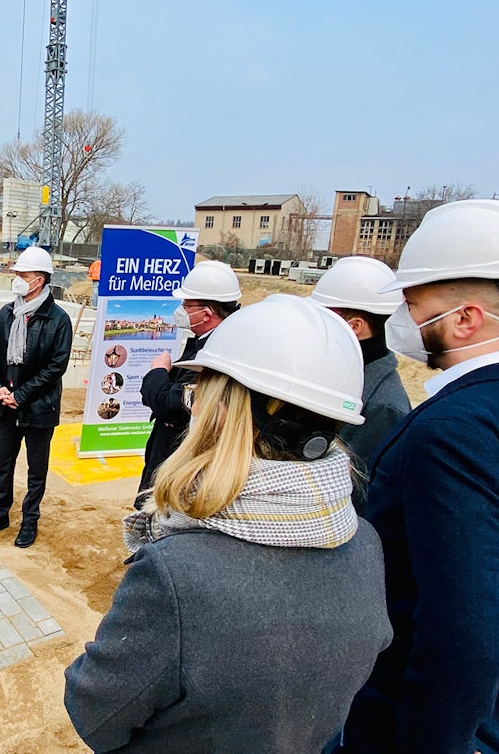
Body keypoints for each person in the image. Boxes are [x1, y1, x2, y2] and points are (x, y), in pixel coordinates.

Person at [64, 296, 392, 753]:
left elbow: (95, 713)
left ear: (221, 411)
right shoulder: (365, 543)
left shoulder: (177, 574)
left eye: (200, 391)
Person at [340, 200, 499, 754]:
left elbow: (465, 632)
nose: (403, 320)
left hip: (422, 725)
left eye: (412, 304)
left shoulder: (452, 433)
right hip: (495, 709)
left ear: (465, 318)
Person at [0, 246, 72, 548]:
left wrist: (22, 395)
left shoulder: (58, 320)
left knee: (36, 470)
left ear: (39, 280)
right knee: (2, 465)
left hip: (39, 409)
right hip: (5, 406)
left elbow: (56, 366)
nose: (17, 279)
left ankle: (30, 520)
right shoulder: (8, 313)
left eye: (23, 274)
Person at [137, 260, 242, 498]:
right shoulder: (207, 340)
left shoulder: (216, 353)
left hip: (180, 458)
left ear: (207, 314)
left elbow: (169, 405)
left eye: (187, 304)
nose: (181, 309)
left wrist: (158, 372)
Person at [309, 256, 412, 471]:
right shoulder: (348, 374)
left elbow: (355, 484)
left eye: (325, 316)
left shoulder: (383, 408)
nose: (317, 325)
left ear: (355, 326)